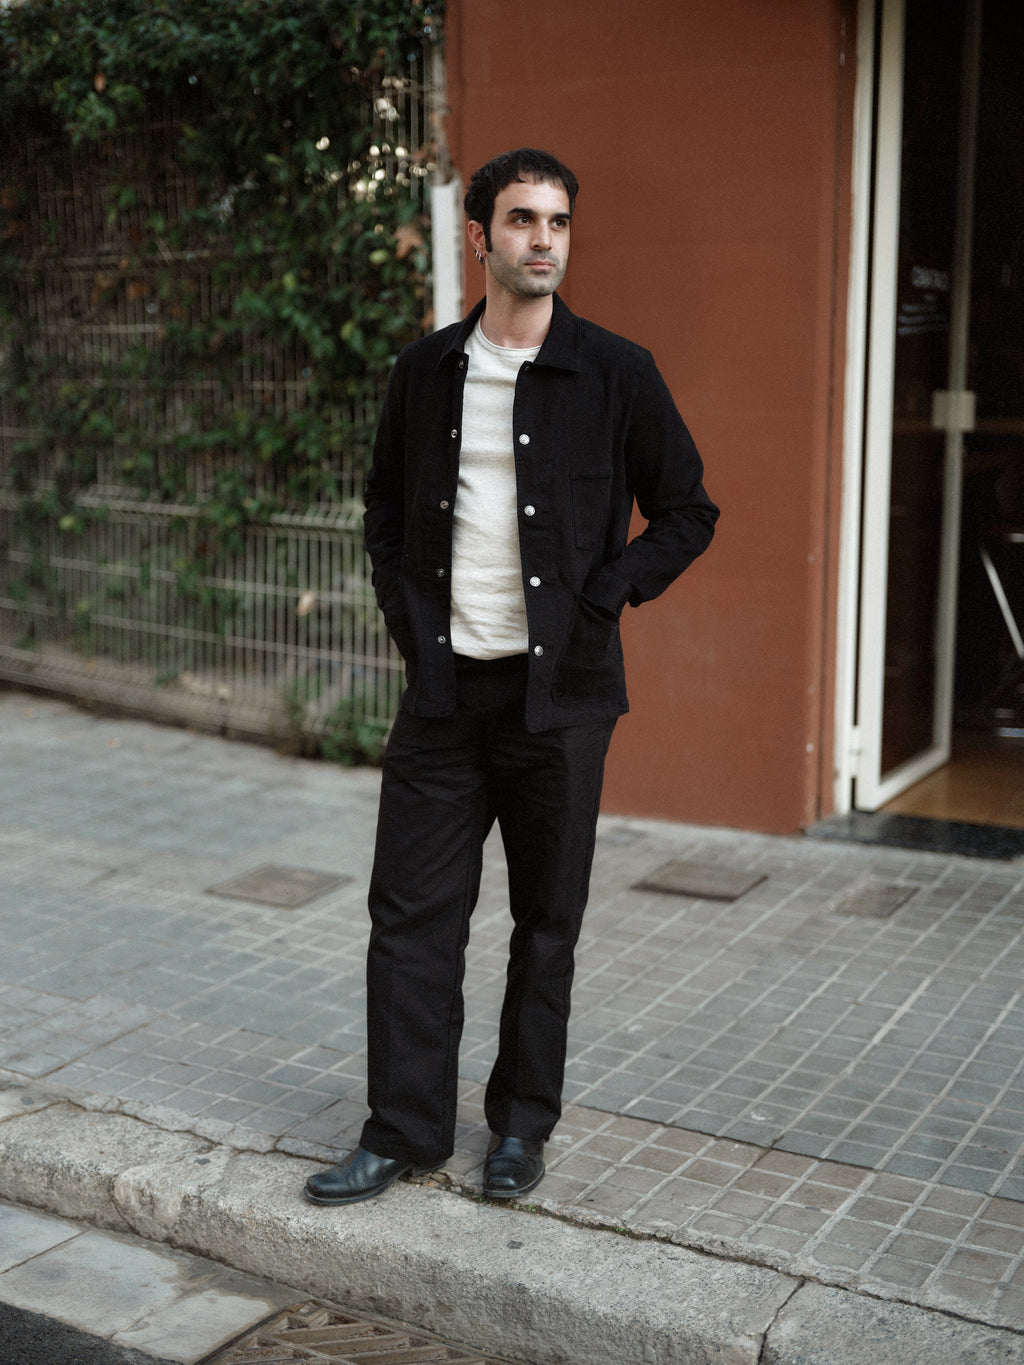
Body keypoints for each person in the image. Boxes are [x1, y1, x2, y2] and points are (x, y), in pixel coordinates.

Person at [305, 147, 718, 1207]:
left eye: (559, 222)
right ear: (478, 236)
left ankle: (520, 1133)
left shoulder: (617, 373)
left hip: (560, 704)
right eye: (523, 219)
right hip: (445, 698)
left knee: (546, 926)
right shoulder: (424, 371)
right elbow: (386, 518)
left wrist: (603, 596)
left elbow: (687, 512)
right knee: (410, 920)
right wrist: (412, 631)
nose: (543, 238)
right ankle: (401, 1131)